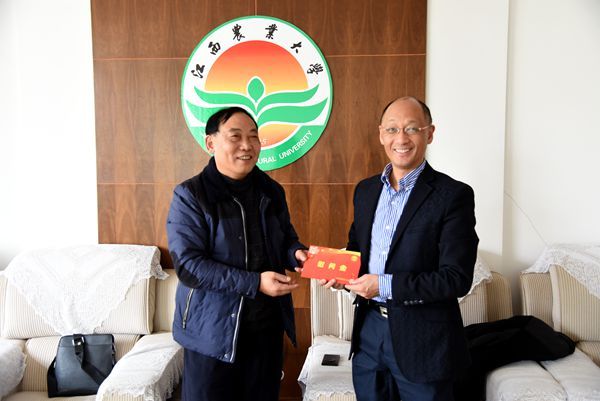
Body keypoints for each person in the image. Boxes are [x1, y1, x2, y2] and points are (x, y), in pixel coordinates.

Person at [322, 96, 479, 401]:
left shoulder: (453, 196)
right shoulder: (366, 190)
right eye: (392, 129)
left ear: (429, 134)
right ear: (381, 134)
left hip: (424, 342)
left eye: (412, 129)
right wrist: (339, 271)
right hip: (369, 333)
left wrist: (383, 285)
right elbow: (358, 251)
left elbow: (456, 278)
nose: (401, 139)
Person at [166, 107, 307, 401]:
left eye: (253, 137)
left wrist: (296, 254)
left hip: (265, 330)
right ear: (211, 142)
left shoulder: (271, 191)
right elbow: (190, 267)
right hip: (211, 333)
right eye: (235, 137)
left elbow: (284, 240)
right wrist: (255, 283)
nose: (247, 145)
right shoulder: (191, 195)